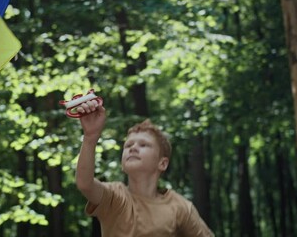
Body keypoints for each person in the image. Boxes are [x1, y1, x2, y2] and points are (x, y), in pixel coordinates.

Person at [75, 99, 214, 237]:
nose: (133, 148)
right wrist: (90, 137)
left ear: (162, 164)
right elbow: (85, 184)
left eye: (143, 145)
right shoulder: (115, 196)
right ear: (122, 164)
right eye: (128, 145)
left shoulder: (179, 207)